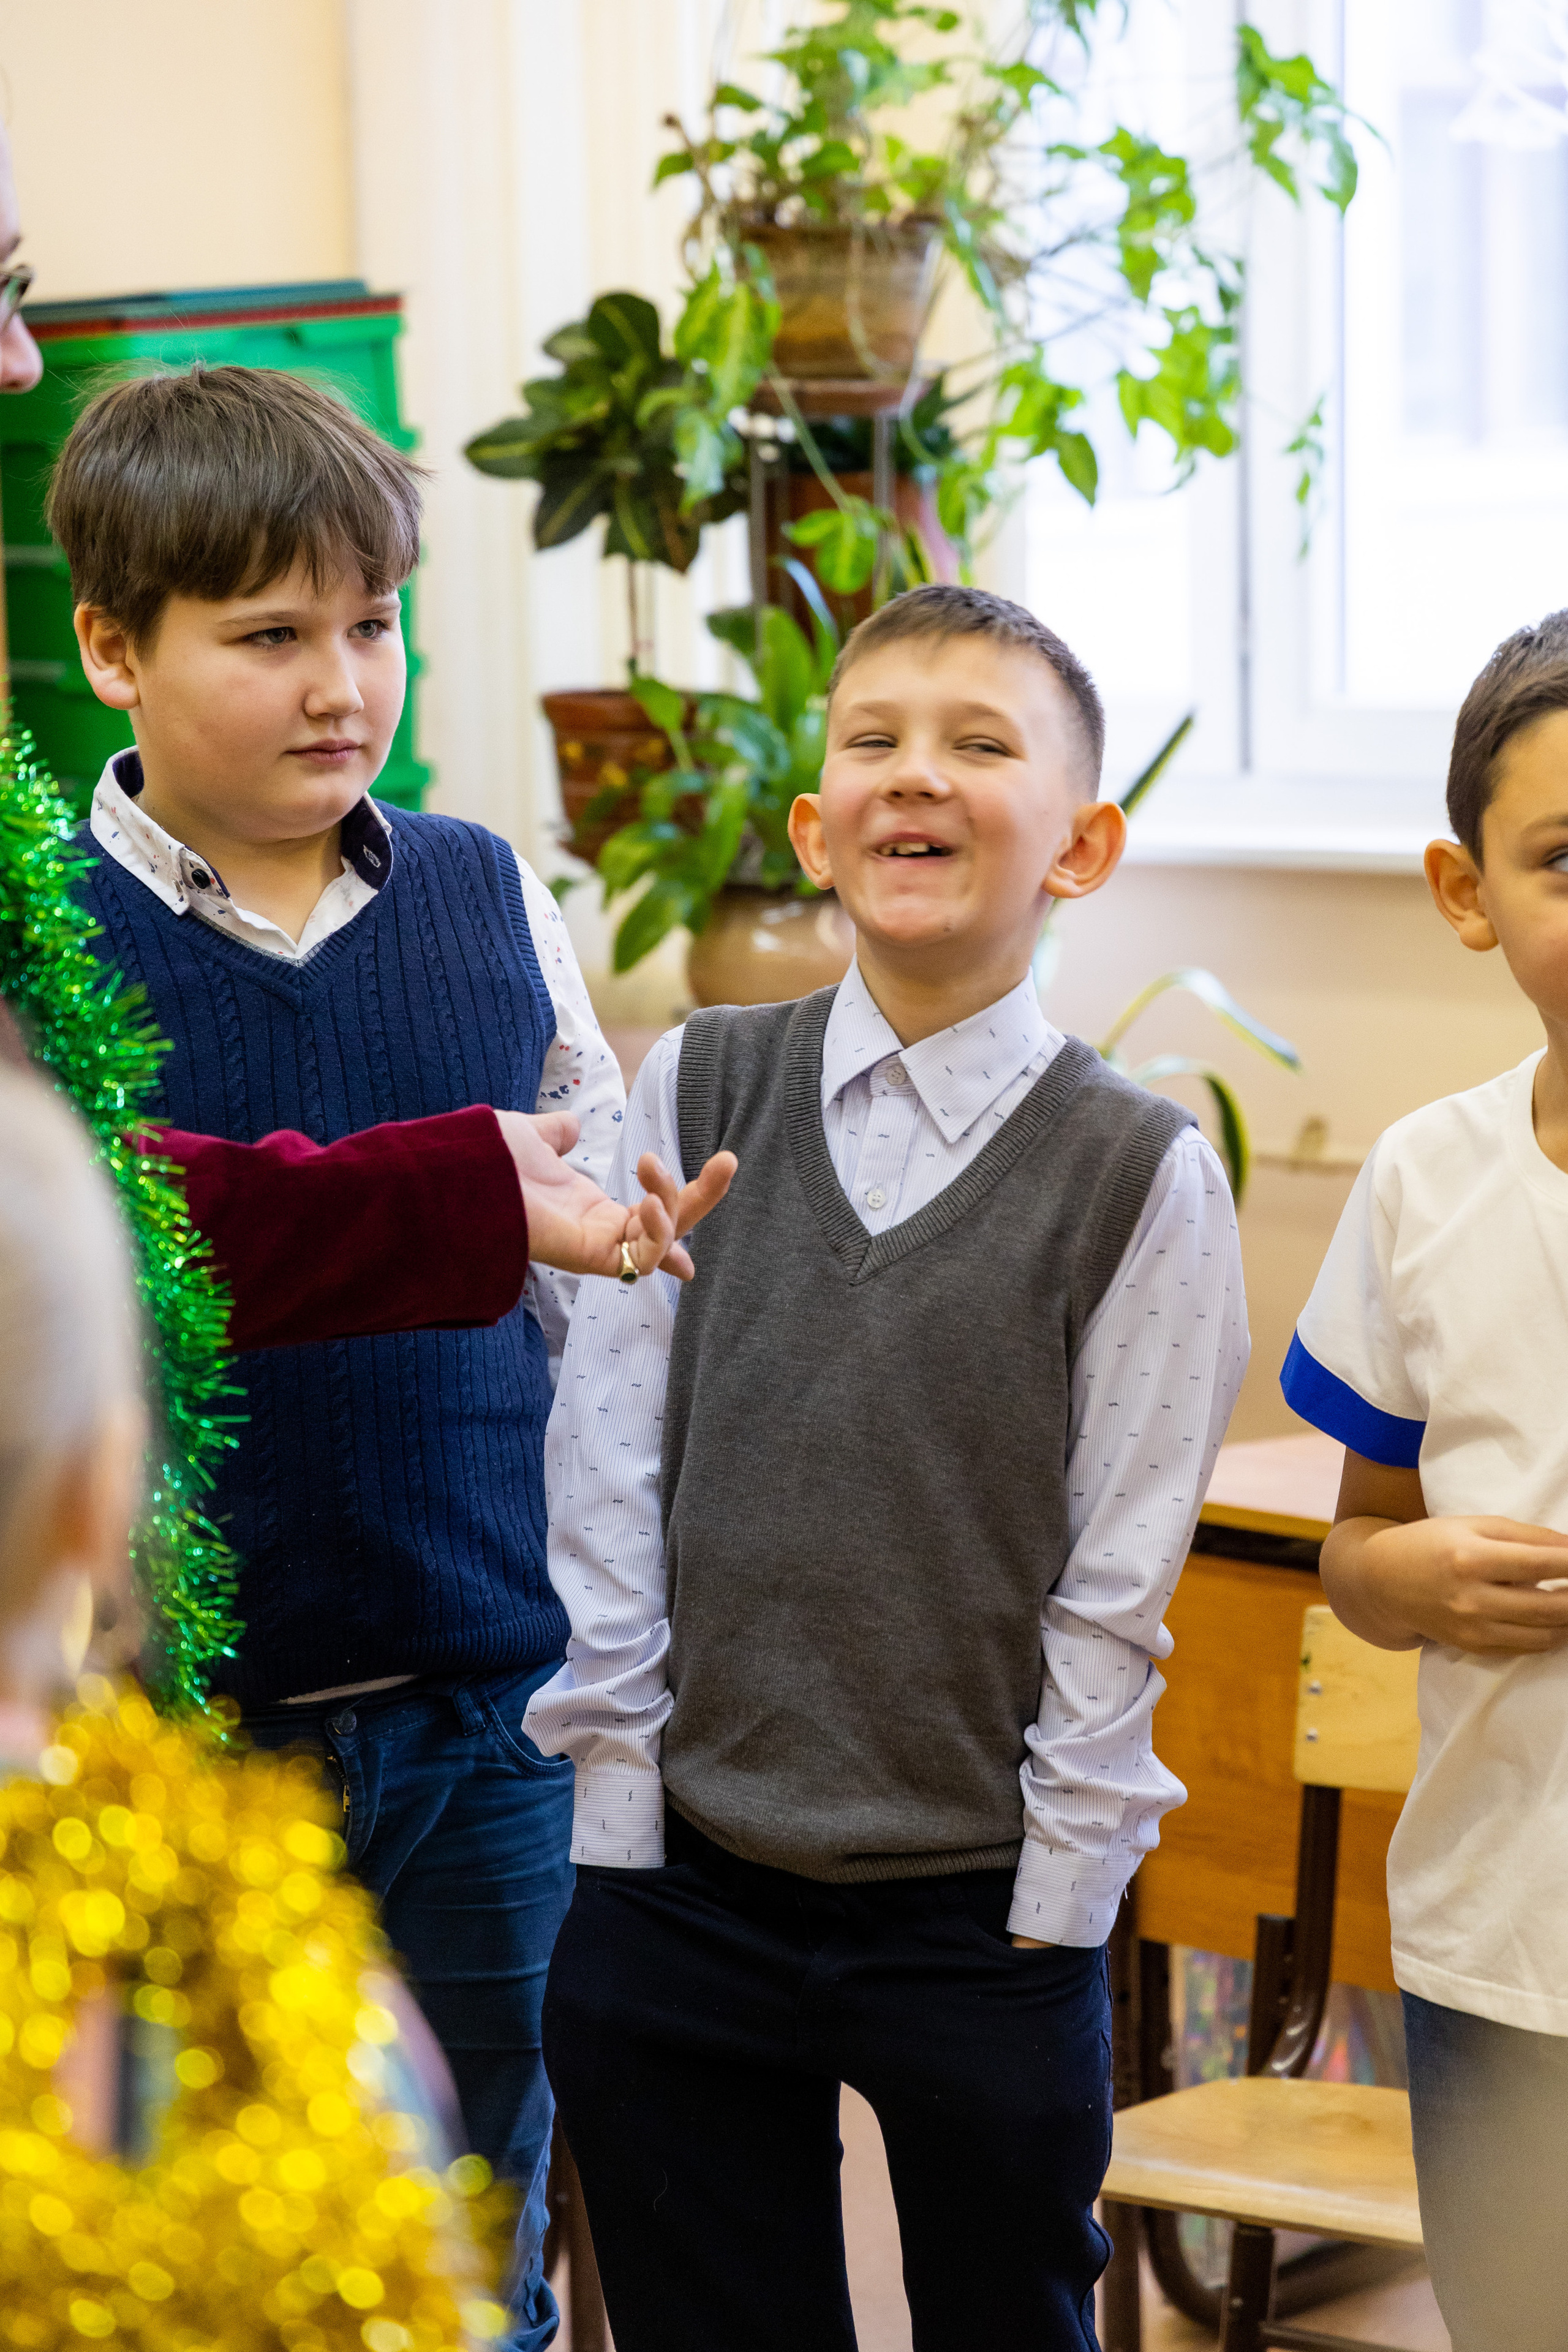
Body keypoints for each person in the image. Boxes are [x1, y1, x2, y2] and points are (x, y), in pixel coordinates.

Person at [46, 360, 730, 2352]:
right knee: (194, 2244)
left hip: (484, 1706)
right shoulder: (41, 946)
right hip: (188, 1731)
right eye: (269, 636)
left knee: (472, 2233)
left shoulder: (482, 891)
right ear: (111, 648)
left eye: (373, 623)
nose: (343, 682)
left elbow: (585, 1240)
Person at [527, 582, 1250, 2351]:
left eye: (979, 745)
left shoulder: (1139, 1170)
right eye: (874, 741)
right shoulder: (699, 1079)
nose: (914, 775)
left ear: (1080, 846)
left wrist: (1057, 1909)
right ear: (813, 824)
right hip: (684, 1886)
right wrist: (619, 1828)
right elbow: (611, 1458)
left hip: (979, 1919)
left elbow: (1121, 1567)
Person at [1283, 608, 1568, 2352]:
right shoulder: (1424, 1178)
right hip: (1498, 1946)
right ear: (1470, 894)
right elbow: (1355, 1545)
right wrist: (1409, 1582)